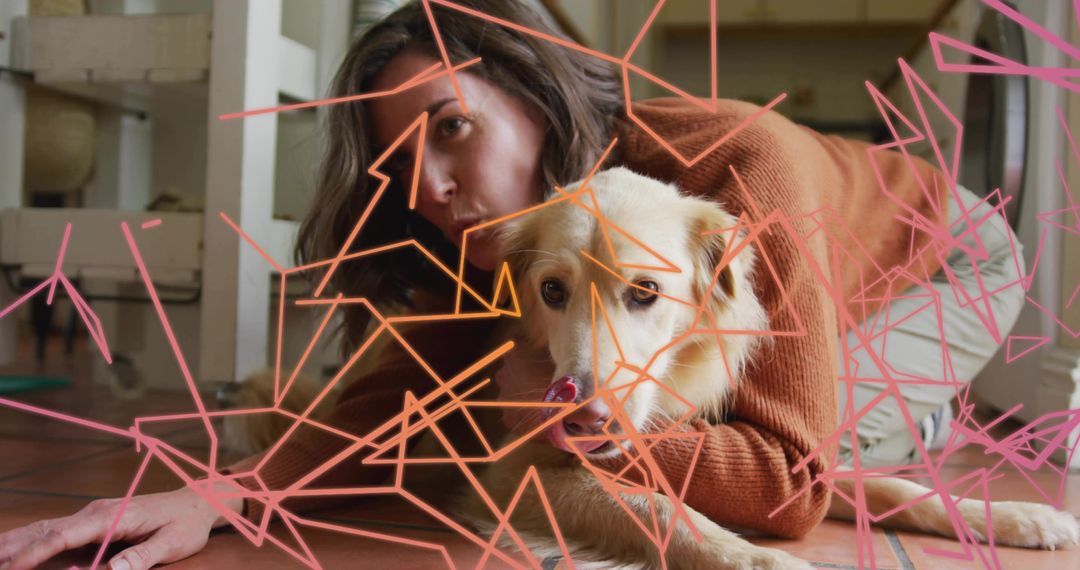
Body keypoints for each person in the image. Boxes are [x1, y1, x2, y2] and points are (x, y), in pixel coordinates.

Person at [0, 1, 1025, 568]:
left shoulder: (744, 171)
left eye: (453, 129)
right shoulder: (519, 233)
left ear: (532, 89)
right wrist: (221, 495)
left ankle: (895, 420)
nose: (437, 190)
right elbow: (404, 378)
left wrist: (625, 437)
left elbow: (787, 495)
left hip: (954, 264)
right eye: (404, 172)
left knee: (781, 433)